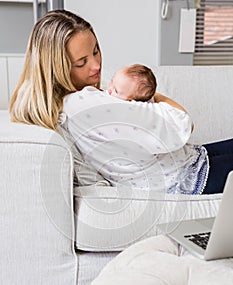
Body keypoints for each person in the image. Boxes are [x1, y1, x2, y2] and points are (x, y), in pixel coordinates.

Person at [9, 9, 233, 194]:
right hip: (187, 179)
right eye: (81, 62)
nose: (96, 65)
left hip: (190, 161)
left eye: (96, 51)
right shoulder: (85, 104)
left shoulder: (64, 104)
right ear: (55, 69)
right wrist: (153, 96)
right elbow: (183, 123)